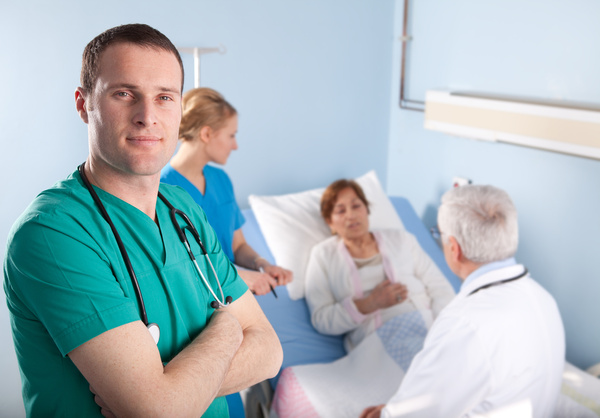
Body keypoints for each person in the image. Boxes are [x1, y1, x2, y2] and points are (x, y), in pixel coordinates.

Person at [3, 23, 282, 417]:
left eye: (164, 97)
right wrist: (229, 327)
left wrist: (171, 392)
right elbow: (157, 411)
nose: (147, 116)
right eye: (124, 94)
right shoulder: (53, 233)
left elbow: (269, 352)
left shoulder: (183, 208)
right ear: (84, 105)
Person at [360, 185, 565, 418]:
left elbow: (417, 413)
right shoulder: (543, 298)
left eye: (438, 234)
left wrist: (387, 414)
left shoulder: (464, 324)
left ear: (454, 248)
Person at [161, 87, 293, 296]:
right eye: (231, 135)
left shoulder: (221, 180)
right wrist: (240, 277)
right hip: (194, 301)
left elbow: (237, 245)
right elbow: (176, 267)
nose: (235, 145)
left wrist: (262, 265)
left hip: (231, 294)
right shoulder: (161, 188)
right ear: (206, 134)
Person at [305, 179, 455, 352]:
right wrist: (370, 303)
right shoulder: (323, 256)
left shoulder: (402, 239)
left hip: (427, 327)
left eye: (356, 206)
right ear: (329, 221)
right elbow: (322, 319)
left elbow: (440, 288)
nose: (351, 215)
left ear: (366, 209)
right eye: (340, 210)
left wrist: (440, 332)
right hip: (377, 343)